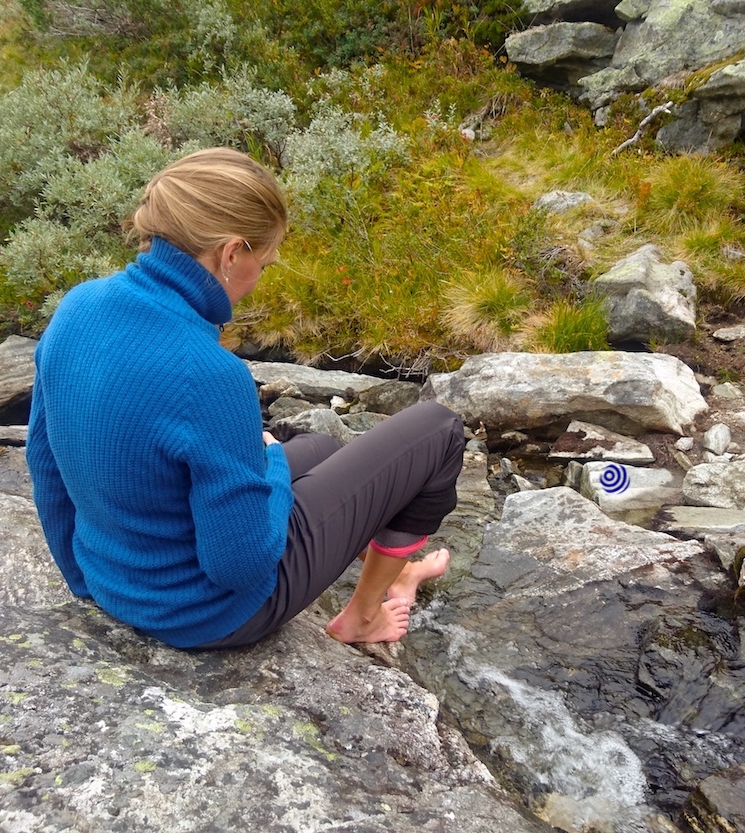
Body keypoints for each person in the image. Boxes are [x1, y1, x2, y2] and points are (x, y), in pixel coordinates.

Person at [26, 147, 466, 650]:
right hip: (211, 615)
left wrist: (86, 583)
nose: (261, 278)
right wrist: (272, 463)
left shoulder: (76, 306)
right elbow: (240, 564)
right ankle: (363, 618)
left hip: (113, 582)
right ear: (231, 253)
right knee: (438, 429)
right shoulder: (209, 374)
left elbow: (44, 462)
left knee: (323, 450)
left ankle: (394, 570)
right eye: (266, 261)